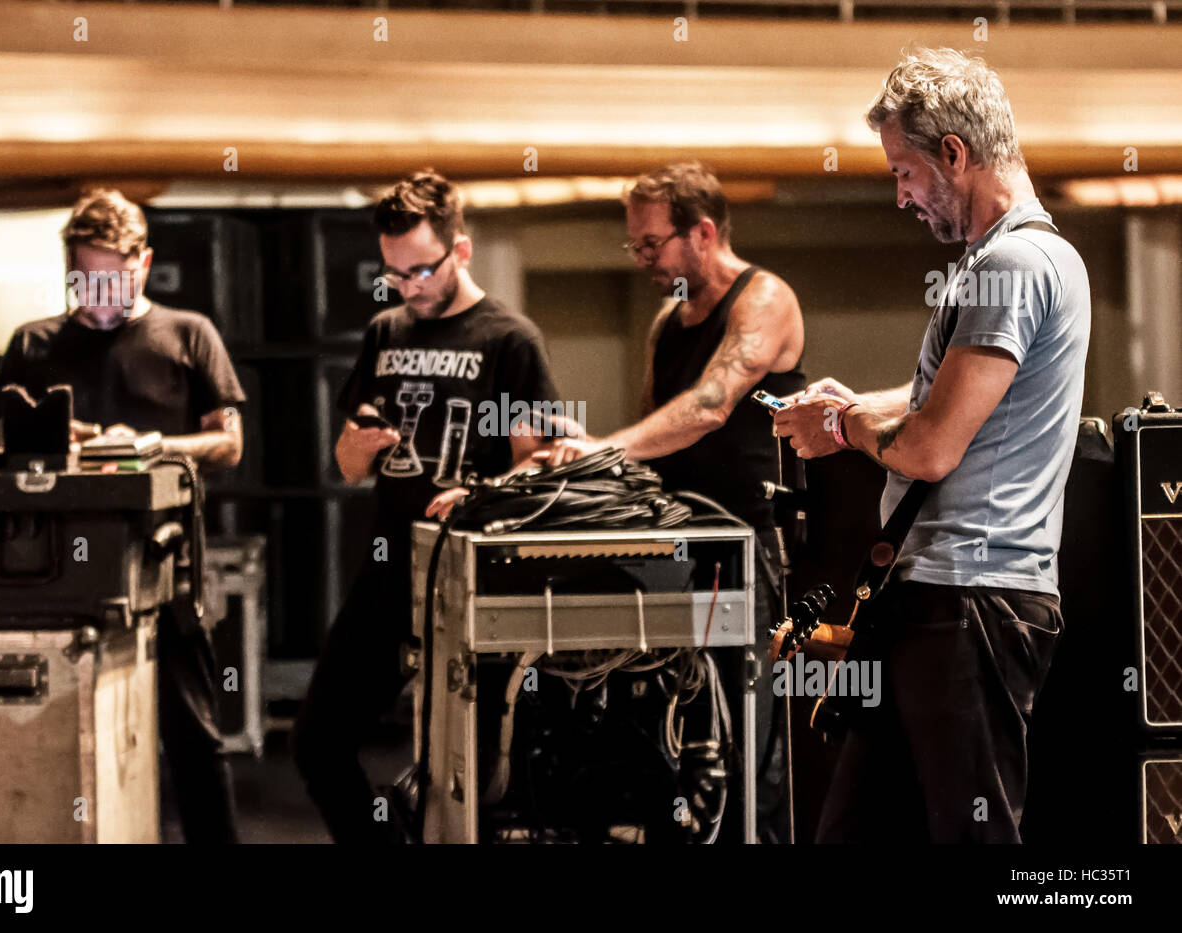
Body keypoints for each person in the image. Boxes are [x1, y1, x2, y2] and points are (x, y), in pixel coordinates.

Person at [774, 48, 1091, 843]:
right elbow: (942, 405)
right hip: (939, 599)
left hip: (971, 600)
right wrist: (850, 403)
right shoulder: (1001, 262)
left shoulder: (1015, 263)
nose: (902, 196)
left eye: (904, 172)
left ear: (955, 152)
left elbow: (932, 446)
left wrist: (842, 428)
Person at [290, 170, 563, 843]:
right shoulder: (386, 332)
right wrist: (356, 447)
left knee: (481, 772)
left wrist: (481, 492)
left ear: (460, 251)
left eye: (422, 269)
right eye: (395, 274)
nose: (409, 286)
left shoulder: (509, 340)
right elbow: (349, 465)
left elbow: (541, 463)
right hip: (392, 567)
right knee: (317, 741)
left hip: (476, 580)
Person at [537, 162, 807, 841]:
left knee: (755, 746)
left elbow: (711, 406)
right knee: (676, 733)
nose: (643, 259)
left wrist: (605, 447)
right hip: (678, 550)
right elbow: (653, 438)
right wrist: (588, 464)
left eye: (652, 244)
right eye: (636, 246)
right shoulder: (666, 321)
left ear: (704, 232)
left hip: (750, 549)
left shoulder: (763, 298)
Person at [0, 187, 245, 843]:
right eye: (82, 277)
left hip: (168, 572)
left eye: (109, 277)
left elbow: (229, 443)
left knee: (195, 742)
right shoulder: (34, 343)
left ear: (144, 263)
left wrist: (148, 445)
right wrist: (55, 450)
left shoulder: (188, 334)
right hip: (58, 581)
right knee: (62, 740)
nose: (95, 292)